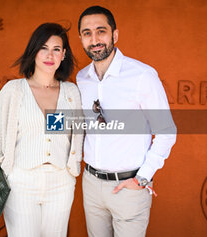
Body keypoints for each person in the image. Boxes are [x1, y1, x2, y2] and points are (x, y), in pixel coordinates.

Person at [76, 6, 177, 237]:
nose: (95, 39)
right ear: (81, 39)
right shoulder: (82, 78)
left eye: (101, 31)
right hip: (91, 184)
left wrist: (142, 178)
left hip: (129, 187)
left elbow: (166, 131)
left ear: (115, 35)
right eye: (87, 33)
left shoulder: (142, 75)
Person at [0, 23, 83, 237]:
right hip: (21, 183)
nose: (49, 54)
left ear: (64, 55)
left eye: (56, 49)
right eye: (43, 47)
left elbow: (72, 137)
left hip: (61, 182)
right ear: (33, 51)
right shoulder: (13, 91)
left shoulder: (71, 93)